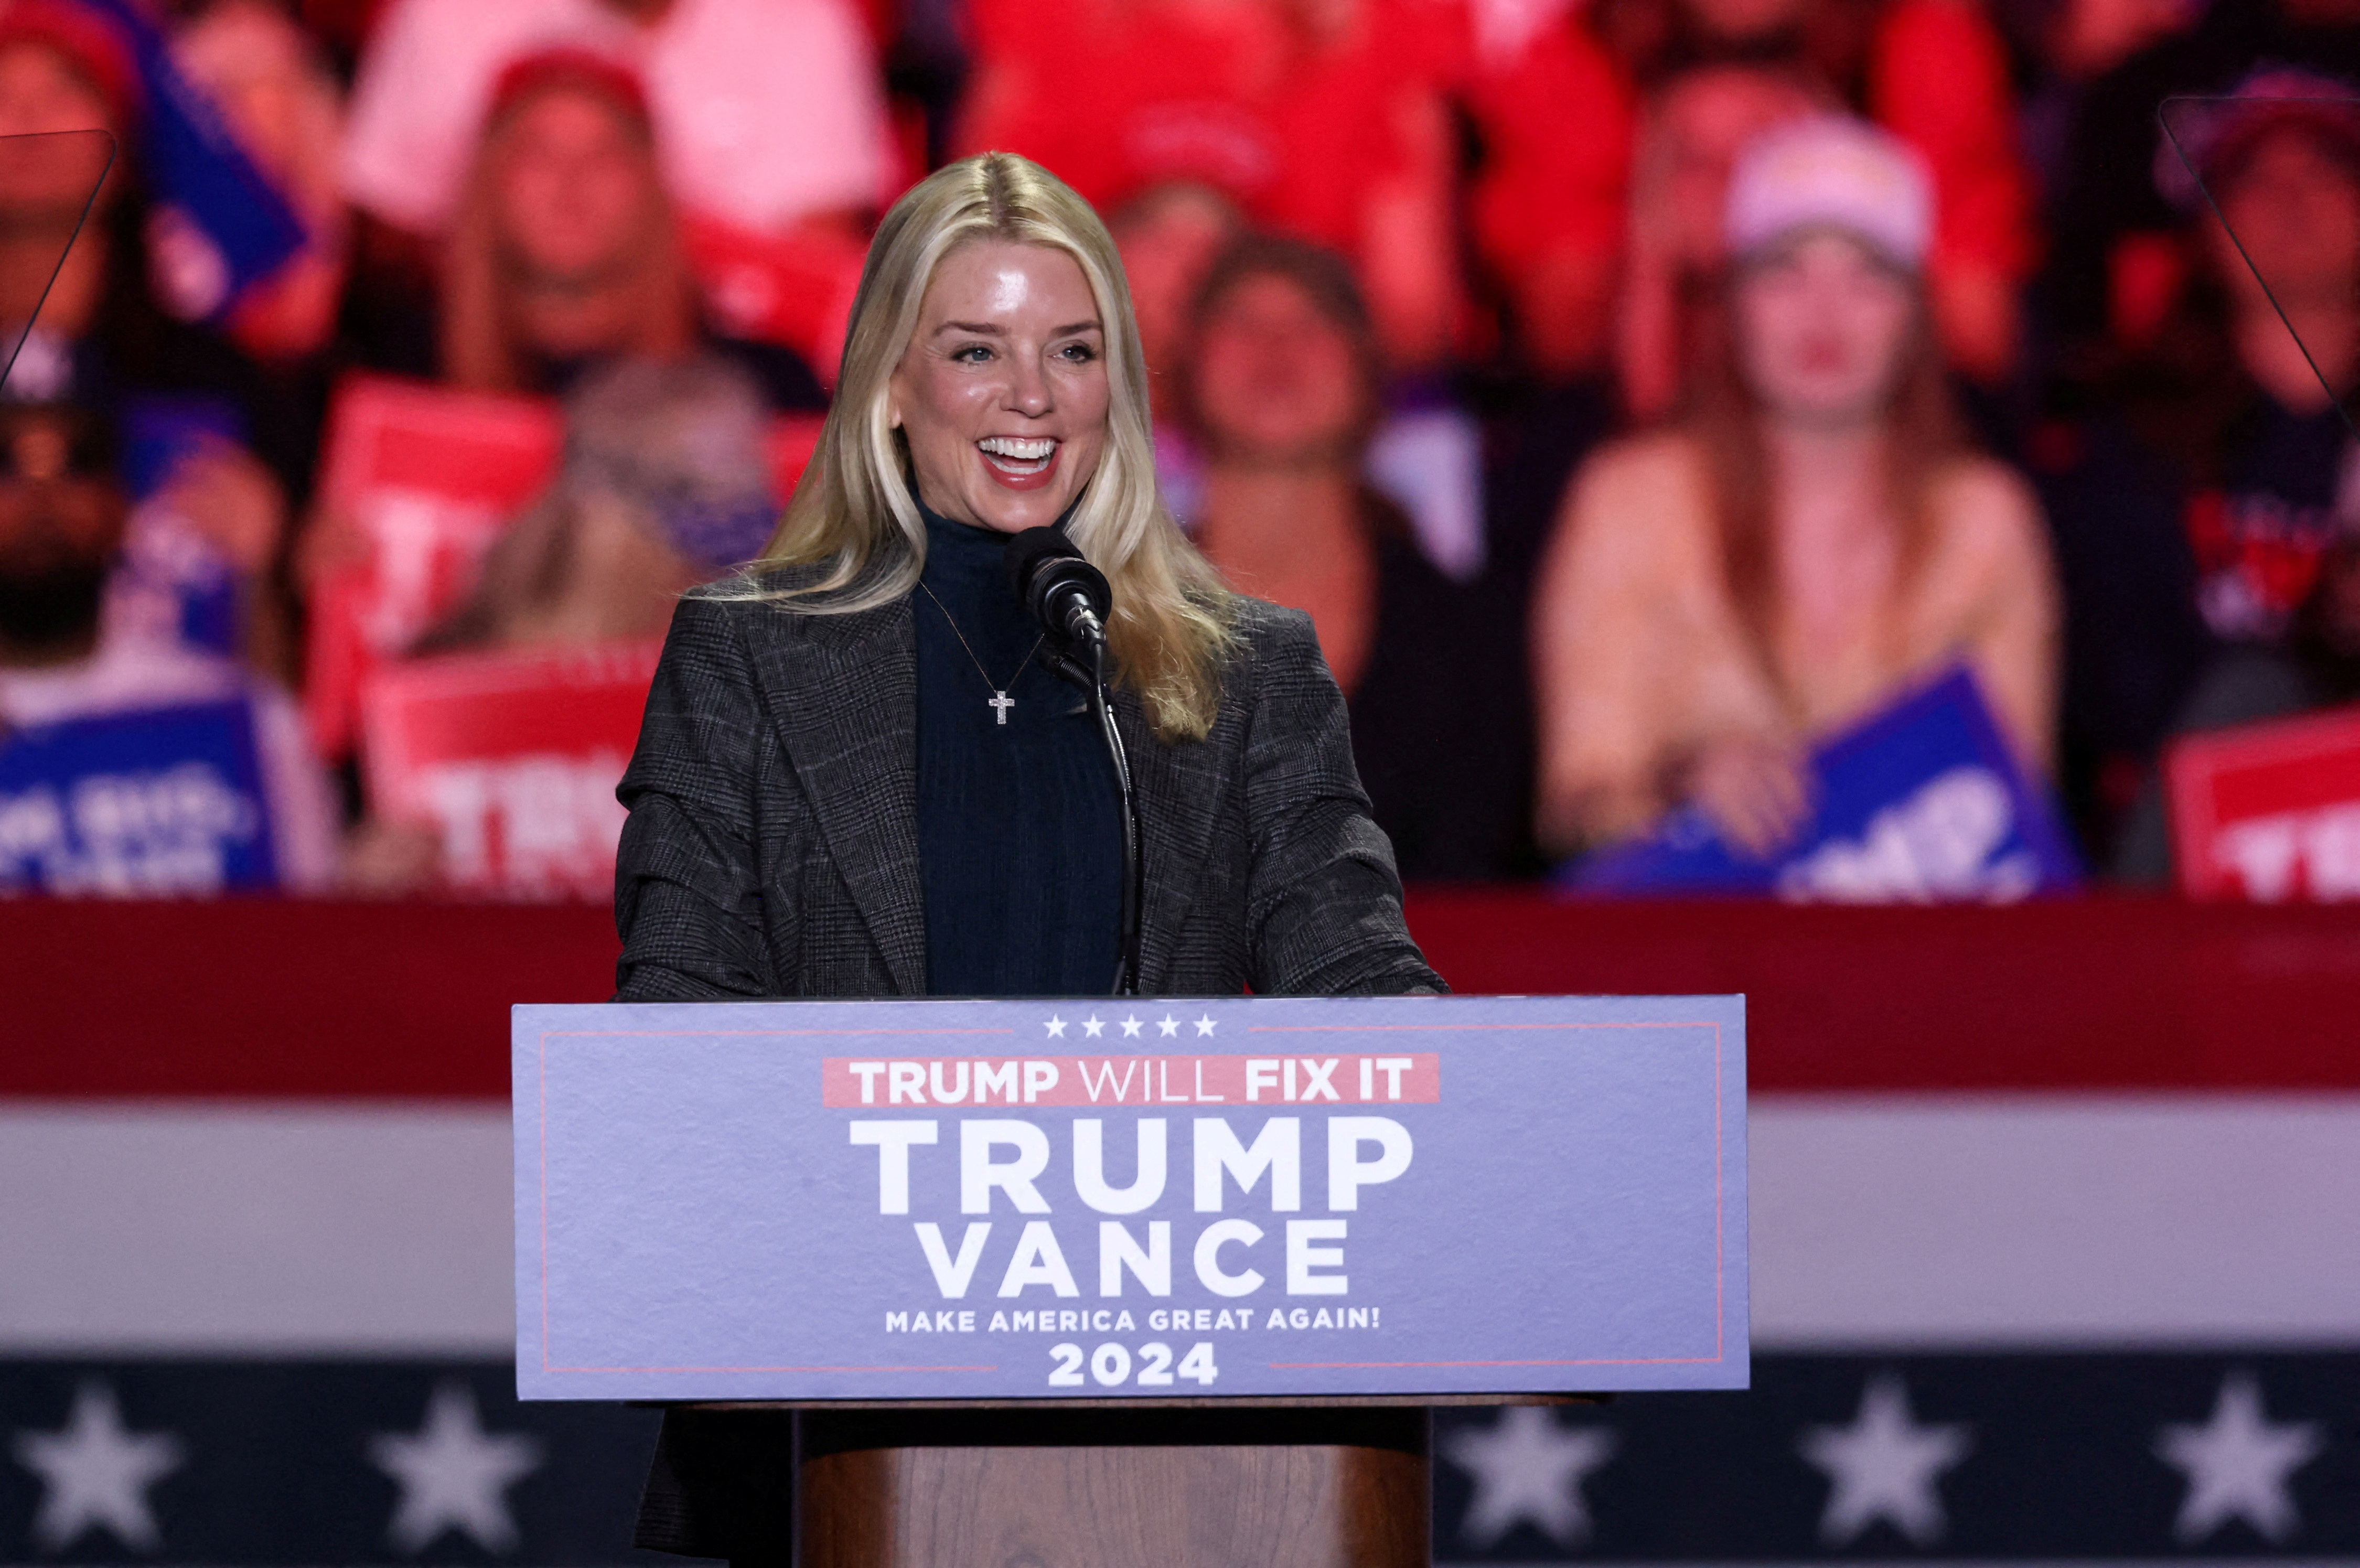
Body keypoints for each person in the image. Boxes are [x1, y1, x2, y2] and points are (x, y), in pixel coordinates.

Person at [612, 150, 1441, 1561]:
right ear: (889, 380)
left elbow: (1354, 973)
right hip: (829, 1429)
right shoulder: (743, 659)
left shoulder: (1253, 670)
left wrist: (1471, 1112)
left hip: (1188, 1447)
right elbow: (676, 1027)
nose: (1031, 396)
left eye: (1072, 350)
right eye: (974, 350)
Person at [1531, 116, 2060, 859]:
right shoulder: (1630, 501)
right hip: (1691, 948)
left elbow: (2012, 809)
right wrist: (1680, 786)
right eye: (1785, 270)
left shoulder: (1984, 519)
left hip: (1906, 954)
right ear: (1733, 304)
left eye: (1867, 273)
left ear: (1915, 313)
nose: (1825, 312)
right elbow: (1572, 803)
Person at [2041, 76, 2360, 857]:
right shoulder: (2124, 447)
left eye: (2323, 172)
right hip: (2196, 843)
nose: (2291, 201)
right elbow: (2106, 709)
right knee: (2251, 688)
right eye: (2254, 180)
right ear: (2207, 232)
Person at [1180, 233, 1535, 877]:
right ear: (1186, 369)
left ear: (1368, 370)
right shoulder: (1101, 617)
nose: (1276, 350)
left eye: (1315, 322)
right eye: (1241, 321)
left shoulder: (1466, 634)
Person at [353, 48, 828, 411]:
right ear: (487, 187)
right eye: (537, 153)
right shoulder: (388, 374)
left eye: (605, 155)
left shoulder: (768, 389)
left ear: (653, 191)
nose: (570, 182)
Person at [0, 399, 336, 888]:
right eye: (6, 467)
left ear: (122, 510)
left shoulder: (223, 708)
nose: (41, 502)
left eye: (77, 465)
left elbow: (306, 919)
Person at [339, 0, 893, 246]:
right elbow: (387, 241)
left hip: (718, 390)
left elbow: (814, 271)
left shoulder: (800, 21)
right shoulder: (447, 14)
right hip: (487, 362)